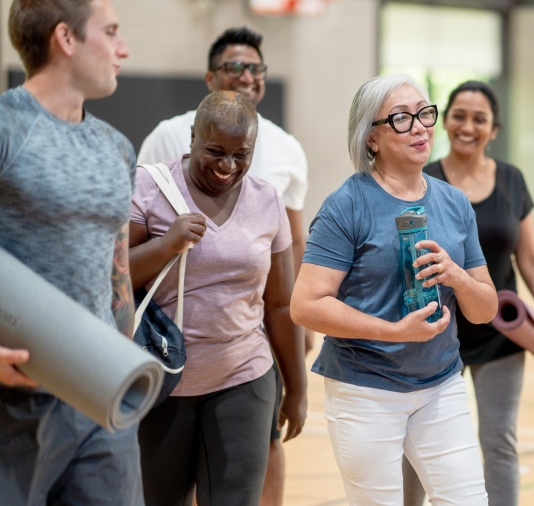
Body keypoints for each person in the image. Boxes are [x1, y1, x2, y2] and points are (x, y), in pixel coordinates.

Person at [290, 74, 498, 506]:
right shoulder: (347, 205)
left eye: (424, 113)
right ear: (372, 139)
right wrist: (392, 331)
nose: (420, 127)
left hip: (441, 382)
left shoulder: (454, 203)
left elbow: (484, 310)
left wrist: (456, 276)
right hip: (365, 387)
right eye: (402, 119)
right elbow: (306, 305)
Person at [137, 27, 309, 505]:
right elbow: (112, 278)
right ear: (191, 138)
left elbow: (278, 302)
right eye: (215, 152)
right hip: (163, 377)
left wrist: (296, 387)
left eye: (242, 156)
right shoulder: (151, 184)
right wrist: (165, 246)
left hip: (243, 375)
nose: (228, 166)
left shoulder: (268, 197)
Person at [0, 0, 142, 504]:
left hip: (102, 395)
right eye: (110, 31)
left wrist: (125, 355)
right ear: (66, 38)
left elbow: (116, 269)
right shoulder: (7, 127)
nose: (122, 48)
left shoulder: (116, 148)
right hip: (15, 404)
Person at [401, 81, 534, 506]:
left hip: (499, 332)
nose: (467, 126)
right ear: (445, 121)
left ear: (494, 129)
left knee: (498, 440)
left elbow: (532, 262)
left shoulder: (511, 179)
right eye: (459, 115)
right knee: (416, 447)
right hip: (434, 333)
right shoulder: (422, 178)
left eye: (480, 119)